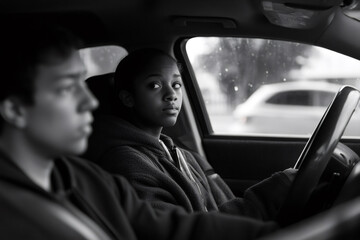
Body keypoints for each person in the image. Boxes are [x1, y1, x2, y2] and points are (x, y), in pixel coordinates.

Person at [0, 21, 279, 239]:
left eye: (82, 85)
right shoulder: (11, 213)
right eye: (65, 88)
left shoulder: (84, 178)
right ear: (15, 109)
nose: (90, 102)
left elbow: (169, 229)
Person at [85, 48, 296, 220]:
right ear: (128, 98)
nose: (171, 95)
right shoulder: (127, 165)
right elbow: (182, 232)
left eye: (176, 84)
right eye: (155, 85)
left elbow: (212, 213)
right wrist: (275, 191)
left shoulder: (176, 152)